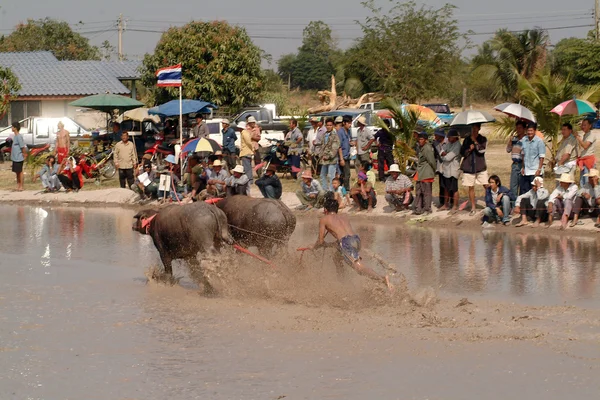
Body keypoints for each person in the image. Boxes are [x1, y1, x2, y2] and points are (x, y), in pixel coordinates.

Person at [306, 192, 392, 290]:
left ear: (325, 210)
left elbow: (320, 242)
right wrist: (329, 245)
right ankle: (343, 282)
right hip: (356, 239)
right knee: (336, 258)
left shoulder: (324, 219)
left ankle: (382, 279)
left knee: (359, 268)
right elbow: (341, 239)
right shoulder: (344, 216)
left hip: (346, 242)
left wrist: (313, 246)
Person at [460, 123, 488, 215]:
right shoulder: (467, 139)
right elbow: (462, 153)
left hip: (480, 166)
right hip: (469, 166)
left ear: (479, 128)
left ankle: (490, 203)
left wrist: (475, 142)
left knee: (486, 185)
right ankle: (473, 207)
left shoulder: (483, 139)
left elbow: (482, 150)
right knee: (470, 187)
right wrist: (469, 149)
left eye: (476, 128)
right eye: (472, 128)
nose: (474, 130)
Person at [414, 132, 436, 216]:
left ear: (426, 140)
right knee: (419, 192)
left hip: (426, 173)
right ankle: (418, 209)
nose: (420, 140)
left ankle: (427, 209)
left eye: (421, 139)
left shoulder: (427, 148)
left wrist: (434, 170)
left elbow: (432, 161)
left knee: (426, 192)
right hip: (421, 173)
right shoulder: (422, 147)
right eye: (419, 139)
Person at [439, 129, 461, 213]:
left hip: (453, 170)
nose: (448, 138)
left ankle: (455, 205)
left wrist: (444, 154)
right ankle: (445, 204)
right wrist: (444, 154)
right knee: (446, 188)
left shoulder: (457, 145)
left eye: (449, 137)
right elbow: (441, 152)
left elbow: (448, 158)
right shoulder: (449, 144)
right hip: (446, 170)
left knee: (454, 189)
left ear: (454, 137)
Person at [520, 123, 545, 194]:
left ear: (535, 131)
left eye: (531, 131)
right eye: (528, 131)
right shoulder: (524, 140)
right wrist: (523, 167)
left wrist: (539, 169)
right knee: (525, 192)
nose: (529, 132)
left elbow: (542, 157)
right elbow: (523, 155)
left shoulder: (539, 141)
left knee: (536, 192)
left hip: (535, 170)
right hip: (526, 171)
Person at [320, 118, 342, 192]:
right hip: (324, 159)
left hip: (332, 159)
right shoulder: (324, 135)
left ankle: (331, 191)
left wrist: (328, 156)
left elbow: (335, 149)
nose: (328, 126)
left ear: (333, 126)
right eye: (327, 125)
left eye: (330, 125)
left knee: (331, 176)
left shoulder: (335, 135)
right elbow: (322, 146)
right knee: (322, 175)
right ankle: (325, 190)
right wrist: (321, 155)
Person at [575, 118, 598, 187]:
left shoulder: (591, 135)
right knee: (582, 181)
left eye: (585, 125)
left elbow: (585, 146)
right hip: (584, 160)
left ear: (590, 126)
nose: (582, 127)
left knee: (587, 181)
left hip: (588, 161)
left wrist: (578, 137)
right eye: (582, 125)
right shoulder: (585, 135)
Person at [506, 120, 527, 197]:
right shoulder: (514, 139)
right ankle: (513, 205)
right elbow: (508, 150)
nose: (518, 130)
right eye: (517, 128)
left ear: (524, 129)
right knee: (513, 186)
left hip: (522, 164)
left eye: (520, 128)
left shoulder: (526, 139)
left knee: (522, 186)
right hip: (515, 165)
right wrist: (510, 141)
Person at [239, 117, 257, 194]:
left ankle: (249, 181)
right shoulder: (244, 132)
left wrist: (252, 149)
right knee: (247, 167)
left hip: (246, 152)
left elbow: (248, 142)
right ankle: (249, 180)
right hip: (246, 152)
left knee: (247, 168)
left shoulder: (244, 132)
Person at [10, 121, 27, 191]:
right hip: (15, 157)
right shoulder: (15, 136)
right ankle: (18, 185)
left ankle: (21, 186)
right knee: (17, 172)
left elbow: (22, 147)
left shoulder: (19, 136)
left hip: (19, 157)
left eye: (12, 127)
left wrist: (24, 154)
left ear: (15, 128)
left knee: (20, 172)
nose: (11, 128)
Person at [432, 129, 446, 207]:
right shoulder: (435, 143)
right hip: (440, 166)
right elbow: (435, 154)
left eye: (436, 135)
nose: (435, 136)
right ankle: (442, 201)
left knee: (449, 184)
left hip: (448, 166)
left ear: (441, 136)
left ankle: (451, 201)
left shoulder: (448, 141)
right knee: (441, 184)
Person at [339, 116, 353, 191]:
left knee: (344, 174)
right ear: (344, 123)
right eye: (348, 123)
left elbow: (349, 140)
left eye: (350, 123)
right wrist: (341, 159)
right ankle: (346, 190)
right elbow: (339, 146)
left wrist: (351, 143)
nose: (350, 125)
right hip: (342, 156)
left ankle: (342, 189)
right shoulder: (340, 132)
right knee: (346, 174)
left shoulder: (349, 131)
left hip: (347, 155)